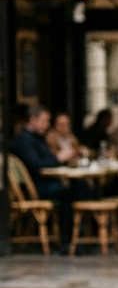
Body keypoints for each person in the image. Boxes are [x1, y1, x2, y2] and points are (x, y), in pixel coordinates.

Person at [11, 105, 88, 249]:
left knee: (80, 186)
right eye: (45, 121)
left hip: (44, 182)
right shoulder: (25, 140)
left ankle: (79, 236)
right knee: (69, 192)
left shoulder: (38, 138)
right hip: (35, 188)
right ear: (33, 120)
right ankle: (68, 240)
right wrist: (58, 158)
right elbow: (37, 165)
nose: (47, 126)